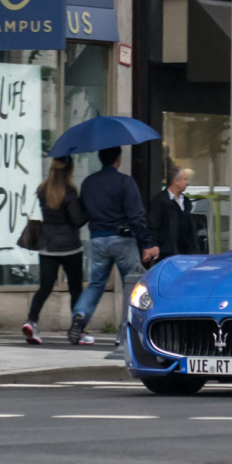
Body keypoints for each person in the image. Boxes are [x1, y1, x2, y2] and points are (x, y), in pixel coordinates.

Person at [67, 146, 159, 345]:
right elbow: (137, 216)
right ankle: (125, 332)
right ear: (117, 158)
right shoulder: (125, 182)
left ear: (100, 158)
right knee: (134, 286)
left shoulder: (88, 183)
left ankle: (80, 315)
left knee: (95, 284)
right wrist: (146, 244)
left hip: (97, 239)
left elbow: (83, 212)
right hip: (122, 240)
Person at [24, 156, 88, 345]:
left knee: (44, 287)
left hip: (47, 245)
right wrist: (86, 209)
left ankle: (32, 322)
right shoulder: (69, 191)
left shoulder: (42, 189)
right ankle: (77, 331)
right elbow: (77, 220)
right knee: (76, 288)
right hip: (70, 246)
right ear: (70, 170)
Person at [147, 166, 200, 261]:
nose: (187, 183)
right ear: (176, 181)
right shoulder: (160, 201)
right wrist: (154, 244)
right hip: (168, 254)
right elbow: (153, 225)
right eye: (185, 179)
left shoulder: (186, 201)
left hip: (187, 254)